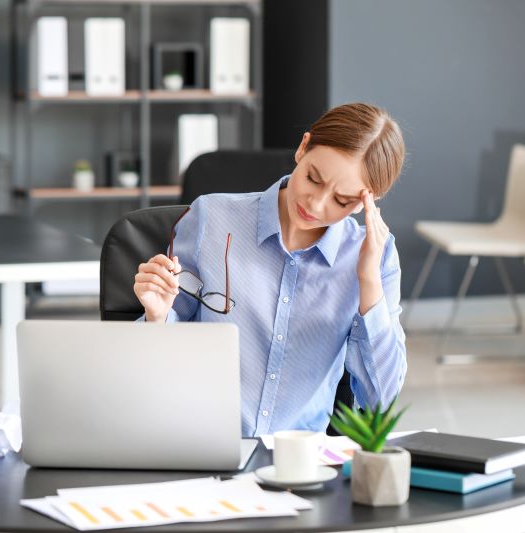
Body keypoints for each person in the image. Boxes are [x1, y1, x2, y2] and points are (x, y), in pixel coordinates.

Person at [134, 103, 407, 437]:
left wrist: (368, 282)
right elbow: (154, 367)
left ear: (369, 201)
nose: (315, 204)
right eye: (313, 178)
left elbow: (381, 403)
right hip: (201, 444)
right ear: (302, 148)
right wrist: (157, 316)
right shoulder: (210, 218)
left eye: (342, 201)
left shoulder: (376, 256)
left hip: (300, 464)